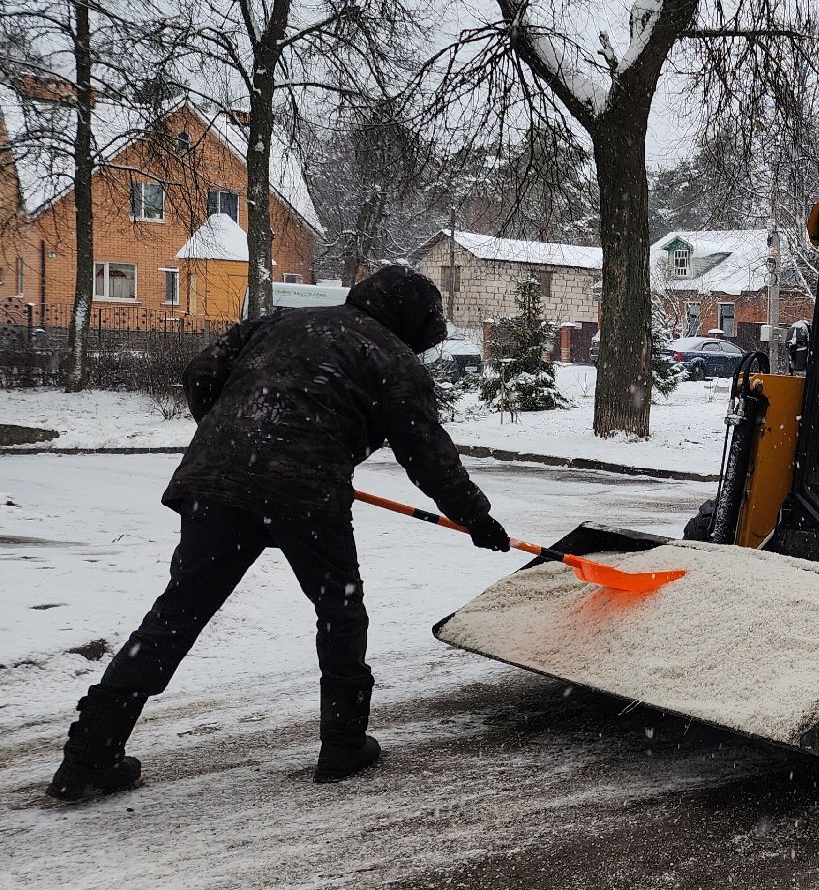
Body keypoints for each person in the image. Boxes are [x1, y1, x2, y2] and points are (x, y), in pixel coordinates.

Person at [47, 266, 513, 803]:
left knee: (177, 615)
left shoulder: (278, 324)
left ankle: (88, 755)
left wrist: (238, 436)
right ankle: (342, 745)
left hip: (217, 484)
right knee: (339, 610)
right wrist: (476, 518)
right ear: (410, 321)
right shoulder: (393, 360)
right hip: (304, 492)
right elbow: (428, 456)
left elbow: (201, 370)